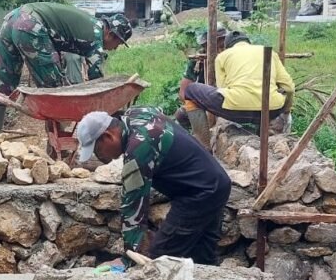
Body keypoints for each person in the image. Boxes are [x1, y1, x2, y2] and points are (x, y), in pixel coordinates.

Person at [76, 107, 231, 266]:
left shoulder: (139, 147)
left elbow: (134, 204)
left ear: (107, 136)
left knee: (157, 260)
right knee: (203, 257)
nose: (99, 156)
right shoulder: (137, 114)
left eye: (97, 150)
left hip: (200, 194)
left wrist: (130, 255)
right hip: (217, 182)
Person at [0, 3, 133, 134]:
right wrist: (105, 106)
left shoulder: (90, 23)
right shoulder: (96, 35)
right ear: (111, 35)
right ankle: (58, 143)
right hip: (31, 25)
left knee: (2, 84)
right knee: (55, 93)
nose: (115, 48)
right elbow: (96, 75)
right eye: (119, 44)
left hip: (12, 18)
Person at [181, 30, 295, 140]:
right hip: (271, 111)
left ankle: (203, 144)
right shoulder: (271, 53)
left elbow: (223, 89)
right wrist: (286, 111)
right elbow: (289, 87)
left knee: (191, 90)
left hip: (236, 110)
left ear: (227, 46)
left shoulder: (223, 56)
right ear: (248, 42)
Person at [175, 26, 227, 147]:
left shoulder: (231, 59)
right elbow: (183, 93)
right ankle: (200, 142)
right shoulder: (197, 62)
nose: (220, 49)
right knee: (181, 115)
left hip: (227, 101)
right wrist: (201, 105)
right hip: (203, 102)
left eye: (222, 45)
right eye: (215, 46)